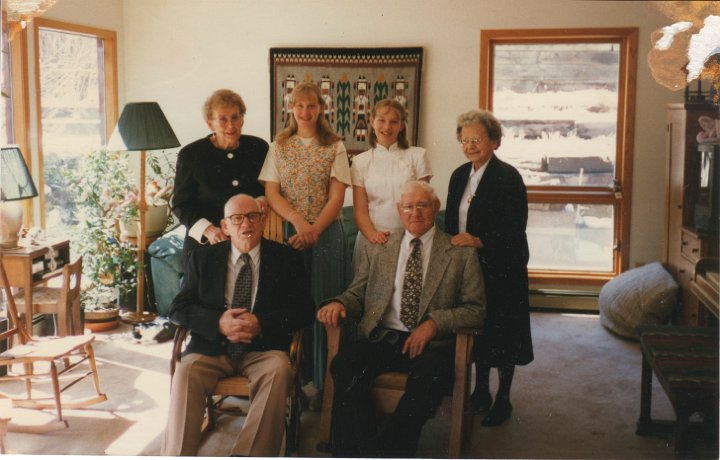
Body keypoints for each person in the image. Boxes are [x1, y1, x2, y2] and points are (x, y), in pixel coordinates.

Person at [317, 180, 486, 457]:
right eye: (408, 206)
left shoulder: (459, 253)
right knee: (345, 364)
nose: (415, 213)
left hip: (433, 347)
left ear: (436, 208)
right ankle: (361, 450)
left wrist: (433, 323)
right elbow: (357, 293)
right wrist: (338, 303)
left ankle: (390, 451)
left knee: (427, 380)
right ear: (399, 209)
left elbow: (476, 310)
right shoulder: (380, 247)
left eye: (422, 205)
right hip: (383, 338)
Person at [162, 194, 314, 456]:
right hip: (212, 348)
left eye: (252, 216)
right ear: (224, 226)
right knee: (186, 371)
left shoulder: (286, 258)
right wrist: (217, 322)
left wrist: (262, 323)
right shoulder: (203, 258)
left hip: (264, 349)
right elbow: (177, 309)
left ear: (263, 219)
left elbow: (305, 310)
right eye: (237, 218)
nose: (246, 224)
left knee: (279, 370)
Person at [258, 81, 351, 401]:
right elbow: (272, 193)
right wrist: (299, 223)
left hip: (328, 235)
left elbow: (337, 197)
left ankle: (326, 386)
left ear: (321, 108)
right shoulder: (279, 145)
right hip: (290, 235)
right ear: (290, 108)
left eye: (311, 105)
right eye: (299, 105)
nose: (305, 111)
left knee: (324, 306)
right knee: (291, 305)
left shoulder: (335, 146)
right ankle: (294, 383)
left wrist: (314, 229)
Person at [444, 109, 534, 427]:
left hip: (502, 265)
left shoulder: (508, 177)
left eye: (477, 140)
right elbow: (450, 223)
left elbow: (515, 228)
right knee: (477, 329)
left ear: (494, 141)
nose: (470, 146)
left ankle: (503, 398)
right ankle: (480, 391)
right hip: (470, 269)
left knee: (503, 333)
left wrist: (479, 240)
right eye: (465, 140)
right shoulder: (459, 175)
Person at [172, 89, 269, 268]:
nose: (230, 125)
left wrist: (260, 200)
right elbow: (180, 204)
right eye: (222, 119)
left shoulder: (258, 147)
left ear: (243, 120)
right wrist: (208, 230)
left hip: (250, 241)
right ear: (210, 124)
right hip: (208, 243)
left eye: (235, 117)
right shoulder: (191, 154)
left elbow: (267, 188)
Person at [351, 99, 433, 257]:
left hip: (410, 239)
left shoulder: (417, 156)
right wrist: (374, 235)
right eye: (381, 120)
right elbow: (360, 211)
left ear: (402, 125)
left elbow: (424, 206)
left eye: (394, 122)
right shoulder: (360, 162)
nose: (387, 127)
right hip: (372, 240)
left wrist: (412, 236)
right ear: (372, 121)